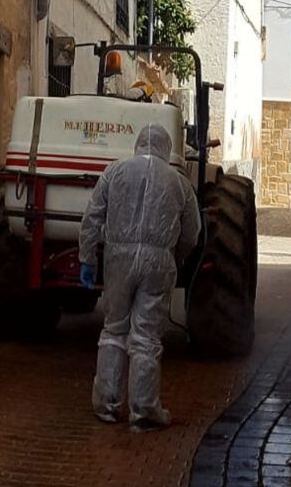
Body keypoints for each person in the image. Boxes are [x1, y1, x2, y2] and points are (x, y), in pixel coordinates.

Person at [79, 124, 201, 431]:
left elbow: (92, 217)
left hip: (118, 258)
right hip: (159, 261)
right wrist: (176, 254)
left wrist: (88, 258)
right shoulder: (179, 182)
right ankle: (144, 410)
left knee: (113, 329)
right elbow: (192, 231)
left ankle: (106, 405)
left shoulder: (114, 172)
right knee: (146, 336)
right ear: (166, 146)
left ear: (137, 144)